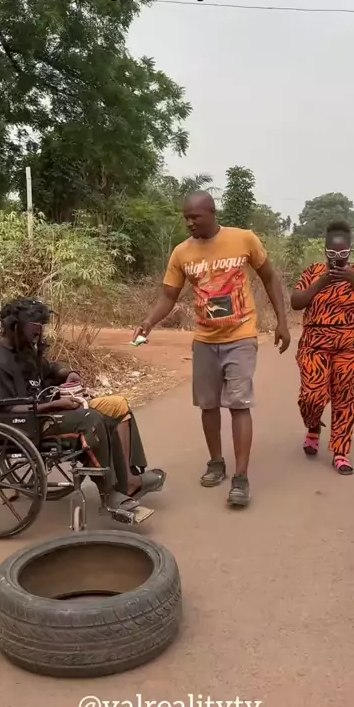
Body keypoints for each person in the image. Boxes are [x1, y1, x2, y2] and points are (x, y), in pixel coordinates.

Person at [133, 191, 291, 508]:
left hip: (241, 336)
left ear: (212, 213)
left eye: (195, 217)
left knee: (239, 404)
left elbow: (270, 278)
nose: (189, 223)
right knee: (208, 405)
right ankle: (216, 462)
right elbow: (168, 296)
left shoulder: (244, 239)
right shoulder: (182, 253)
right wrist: (148, 322)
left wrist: (282, 322)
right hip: (205, 339)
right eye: (186, 218)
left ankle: (241, 477)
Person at [0, 298, 164, 512]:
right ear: (16, 328)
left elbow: (49, 370)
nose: (37, 338)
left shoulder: (25, 350)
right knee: (92, 419)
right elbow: (6, 411)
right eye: (34, 333)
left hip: (48, 411)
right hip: (29, 423)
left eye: (39, 333)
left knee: (117, 406)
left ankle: (129, 479)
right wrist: (54, 405)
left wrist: (67, 374)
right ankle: (110, 493)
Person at [290, 219, 354, 475]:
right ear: (325, 250)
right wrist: (321, 282)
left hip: (352, 345)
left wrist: (352, 279)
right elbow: (296, 302)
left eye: (342, 254)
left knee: (345, 398)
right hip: (315, 344)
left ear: (350, 250)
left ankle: (340, 451)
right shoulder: (313, 272)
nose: (337, 259)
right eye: (332, 253)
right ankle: (313, 426)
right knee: (312, 396)